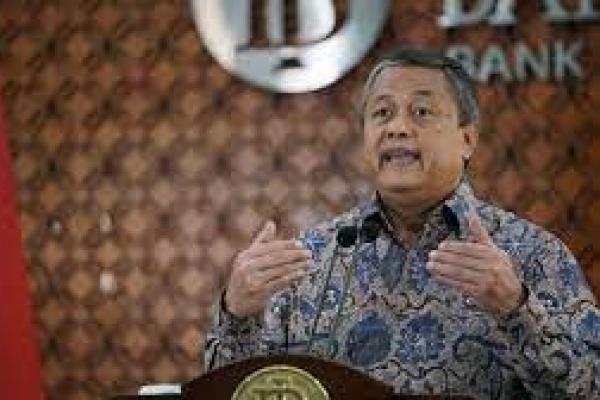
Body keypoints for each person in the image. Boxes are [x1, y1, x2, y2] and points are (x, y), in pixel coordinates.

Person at [203, 48, 600, 399]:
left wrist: (516, 309)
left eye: (421, 112)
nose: (397, 127)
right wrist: (236, 314)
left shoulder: (531, 254)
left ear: (467, 139)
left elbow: (589, 387)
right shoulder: (308, 260)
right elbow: (236, 390)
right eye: (381, 113)